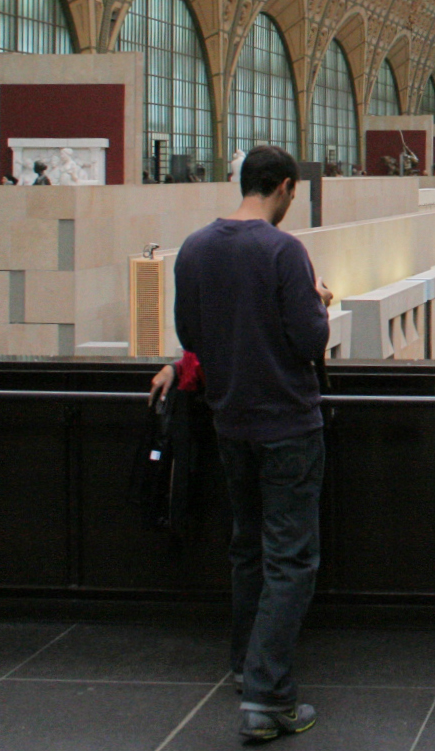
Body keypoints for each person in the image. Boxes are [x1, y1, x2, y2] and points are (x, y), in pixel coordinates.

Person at [150, 145, 333, 741]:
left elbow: (191, 335)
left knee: (247, 548)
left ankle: (244, 663)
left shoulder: (194, 248)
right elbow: (309, 339)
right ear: (284, 187)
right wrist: (318, 302)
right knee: (291, 558)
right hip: (288, 426)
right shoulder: (284, 251)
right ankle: (267, 696)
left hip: (229, 423)